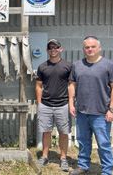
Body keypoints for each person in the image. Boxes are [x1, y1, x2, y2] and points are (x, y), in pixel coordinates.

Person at [68, 36, 113, 175]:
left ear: (99, 48)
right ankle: (83, 166)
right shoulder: (77, 65)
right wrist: (71, 103)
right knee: (83, 141)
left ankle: (107, 171)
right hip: (82, 112)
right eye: (87, 47)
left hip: (101, 113)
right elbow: (72, 84)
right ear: (83, 49)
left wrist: (112, 110)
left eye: (93, 46)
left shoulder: (109, 65)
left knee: (103, 144)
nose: (90, 49)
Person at [35, 39, 72, 172]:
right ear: (47, 50)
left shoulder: (68, 66)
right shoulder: (42, 67)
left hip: (63, 105)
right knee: (46, 132)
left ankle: (63, 158)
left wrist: (71, 103)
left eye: (56, 47)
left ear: (61, 49)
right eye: (50, 48)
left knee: (63, 132)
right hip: (45, 104)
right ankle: (44, 156)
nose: (53, 50)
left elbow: (71, 85)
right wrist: (39, 103)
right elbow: (38, 86)